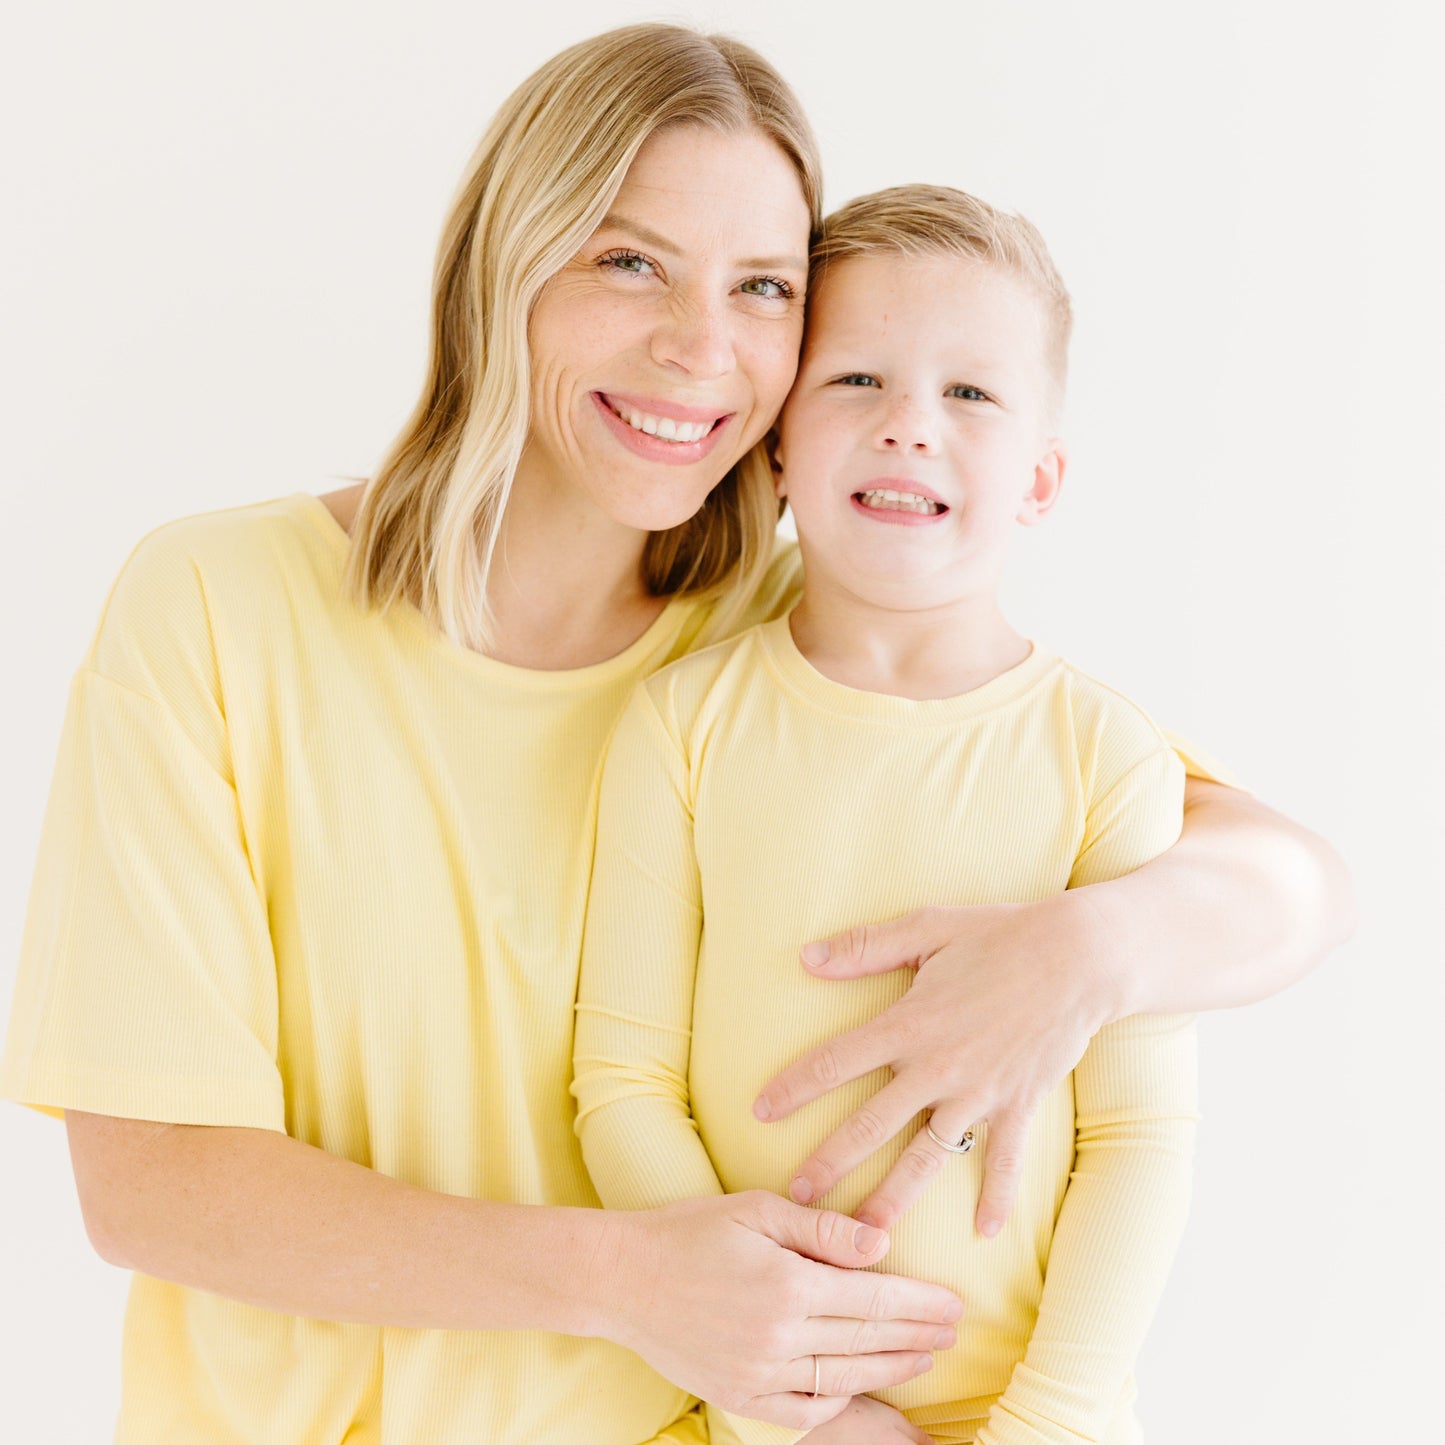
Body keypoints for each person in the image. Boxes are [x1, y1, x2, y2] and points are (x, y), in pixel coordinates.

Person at [0, 22, 1352, 1445]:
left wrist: (1093, 950)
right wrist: (625, 1282)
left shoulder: (809, 643)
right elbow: (147, 1182)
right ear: (499, 270)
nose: (700, 347)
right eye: (627, 259)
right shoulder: (219, 607)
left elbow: (1293, 884)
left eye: (762, 288)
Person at [574, 183, 1196, 1445]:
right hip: (763, 1411)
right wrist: (798, 1408)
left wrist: (1050, 1424)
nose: (909, 425)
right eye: (855, 380)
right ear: (777, 446)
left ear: (1040, 475)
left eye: (969, 393)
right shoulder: (680, 725)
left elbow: (1138, 1136)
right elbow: (622, 1082)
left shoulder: (1103, 755)